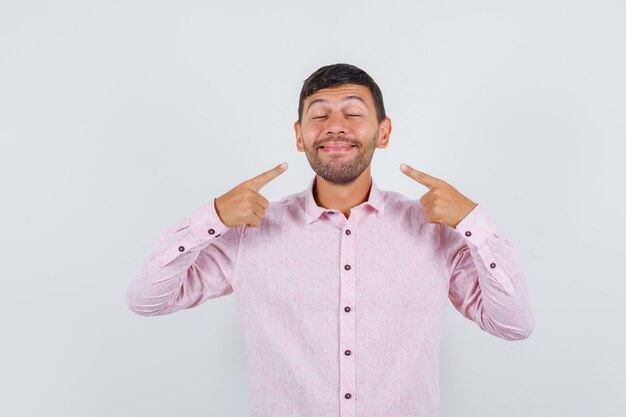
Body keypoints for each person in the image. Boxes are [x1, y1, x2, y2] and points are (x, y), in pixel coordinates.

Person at [126, 63, 535, 417]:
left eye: (353, 112)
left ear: (384, 131)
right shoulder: (249, 233)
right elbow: (147, 298)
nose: (335, 125)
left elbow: (513, 325)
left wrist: (472, 222)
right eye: (318, 115)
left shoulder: (434, 232)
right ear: (300, 135)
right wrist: (212, 217)